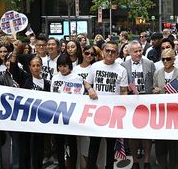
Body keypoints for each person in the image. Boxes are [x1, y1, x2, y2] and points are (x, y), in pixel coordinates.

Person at [85, 41, 127, 169]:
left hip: (113, 114)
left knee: (111, 147)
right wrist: (90, 90)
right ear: (103, 52)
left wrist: (122, 109)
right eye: (107, 50)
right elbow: (87, 83)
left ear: (117, 54)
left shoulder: (122, 70)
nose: (110, 53)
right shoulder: (95, 66)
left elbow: (124, 91)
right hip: (96, 112)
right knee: (94, 145)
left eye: (113, 51)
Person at [51, 54, 96, 169]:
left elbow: (81, 96)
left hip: (72, 117)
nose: (62, 68)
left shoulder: (77, 78)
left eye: (65, 66)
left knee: (72, 144)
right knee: (59, 144)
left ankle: (74, 165)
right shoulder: (55, 78)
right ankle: (61, 166)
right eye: (60, 66)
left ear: (69, 66)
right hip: (58, 116)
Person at [9, 50, 51, 169]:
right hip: (25, 119)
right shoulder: (25, 78)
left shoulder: (46, 84)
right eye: (33, 65)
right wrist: (15, 51)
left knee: (38, 148)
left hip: (39, 120)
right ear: (29, 67)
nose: (36, 68)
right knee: (24, 148)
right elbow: (13, 68)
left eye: (38, 65)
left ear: (41, 66)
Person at [121, 40, 156, 169]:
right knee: (132, 134)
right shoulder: (124, 65)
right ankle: (135, 161)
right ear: (129, 52)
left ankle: (147, 161)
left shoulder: (149, 63)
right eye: (135, 51)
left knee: (146, 134)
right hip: (130, 103)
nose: (139, 53)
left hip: (146, 102)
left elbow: (153, 82)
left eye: (140, 50)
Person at [153, 48, 178, 169]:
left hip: (174, 113)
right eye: (163, 59)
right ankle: (162, 165)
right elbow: (153, 88)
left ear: (174, 59)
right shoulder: (157, 73)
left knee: (173, 145)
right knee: (160, 144)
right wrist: (155, 91)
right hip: (161, 112)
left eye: (168, 59)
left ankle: (175, 165)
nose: (166, 61)